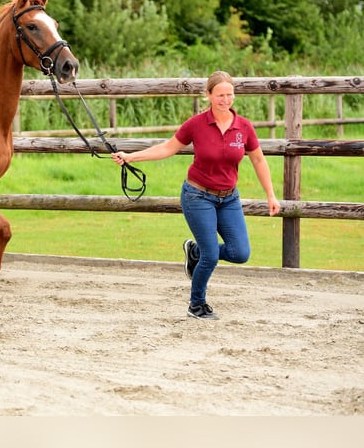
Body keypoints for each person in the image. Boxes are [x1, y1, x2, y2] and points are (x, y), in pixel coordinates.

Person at [111, 71, 281, 320]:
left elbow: (258, 159)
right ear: (209, 95)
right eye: (220, 95)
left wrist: (271, 195)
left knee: (240, 253)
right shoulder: (196, 124)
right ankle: (197, 304)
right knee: (212, 255)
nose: (225, 100)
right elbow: (168, 148)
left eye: (230, 94)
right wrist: (130, 157)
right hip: (197, 196)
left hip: (229, 198)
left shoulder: (243, 127)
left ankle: (195, 252)